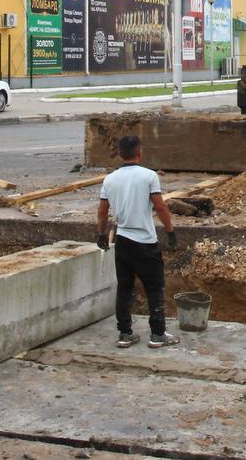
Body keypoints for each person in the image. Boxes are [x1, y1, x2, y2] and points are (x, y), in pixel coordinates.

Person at [96, 135, 180, 349]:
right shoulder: (149, 176)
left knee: (124, 288)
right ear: (139, 153)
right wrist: (170, 232)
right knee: (154, 287)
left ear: (120, 153)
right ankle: (158, 334)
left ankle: (125, 333)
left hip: (122, 241)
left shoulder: (110, 179)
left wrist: (101, 234)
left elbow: (103, 210)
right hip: (144, 241)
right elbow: (160, 206)